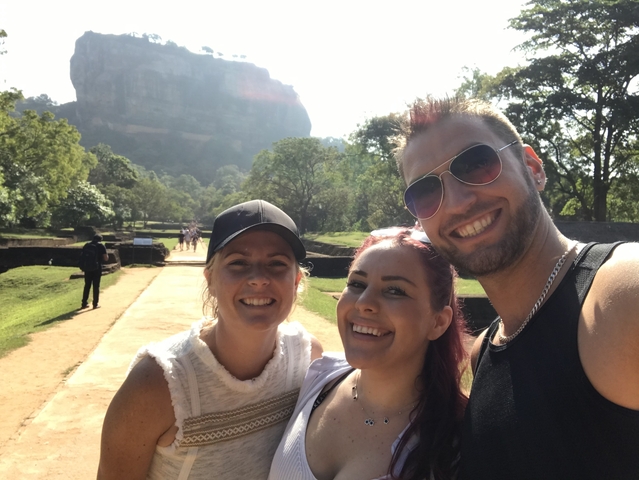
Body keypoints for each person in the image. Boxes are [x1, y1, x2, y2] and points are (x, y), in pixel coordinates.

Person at [395, 97, 639, 479]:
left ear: (532, 167)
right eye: (425, 192)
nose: (457, 203)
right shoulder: (485, 354)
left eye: (476, 163)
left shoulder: (623, 295)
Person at [97, 199, 323, 479]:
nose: (259, 279)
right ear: (211, 280)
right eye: (238, 263)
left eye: (277, 264)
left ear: (296, 281)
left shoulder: (306, 359)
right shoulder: (160, 384)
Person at [270, 230, 468, 480]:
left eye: (395, 290)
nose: (364, 302)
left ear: (438, 322)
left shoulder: (458, 442)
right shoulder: (319, 377)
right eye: (356, 284)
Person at [80, 234, 108, 309]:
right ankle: (95, 304)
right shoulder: (101, 246)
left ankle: (84, 303)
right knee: (96, 286)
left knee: (87, 285)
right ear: (100, 240)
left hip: (87, 267)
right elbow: (105, 258)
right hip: (97, 268)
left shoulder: (87, 245)